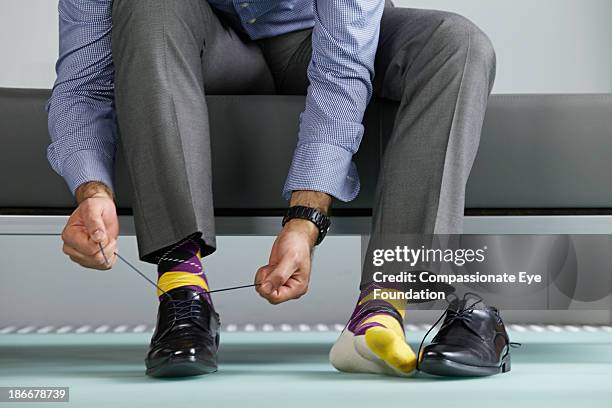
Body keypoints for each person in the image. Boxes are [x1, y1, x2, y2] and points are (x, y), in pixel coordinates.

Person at [48, 0, 500, 378]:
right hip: (201, 42)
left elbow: (342, 69)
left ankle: (382, 307)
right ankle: (182, 289)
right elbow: (83, 81)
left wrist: (305, 221)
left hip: (315, 36)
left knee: (456, 44)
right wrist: (92, 190)